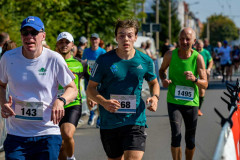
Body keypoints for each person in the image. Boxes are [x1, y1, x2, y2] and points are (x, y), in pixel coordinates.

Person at [0, 16, 77, 160]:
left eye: (34, 33)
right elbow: (1, 85)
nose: (29, 37)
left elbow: (72, 88)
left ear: (43, 35)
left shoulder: (54, 59)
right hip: (16, 135)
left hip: (47, 134)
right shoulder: (8, 58)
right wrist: (3, 102)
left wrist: (60, 101)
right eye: (25, 32)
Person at [87, 19, 160, 160]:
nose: (125, 39)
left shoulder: (145, 60)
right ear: (116, 38)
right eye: (121, 35)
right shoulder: (103, 60)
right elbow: (91, 88)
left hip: (135, 120)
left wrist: (155, 97)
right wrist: (104, 102)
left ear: (136, 37)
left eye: (130, 35)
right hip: (109, 121)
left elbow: (154, 83)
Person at [159, 27, 208, 160]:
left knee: (190, 139)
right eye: (181, 39)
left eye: (187, 39)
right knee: (176, 135)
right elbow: (161, 70)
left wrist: (195, 79)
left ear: (194, 41)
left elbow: (205, 83)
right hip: (174, 101)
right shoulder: (170, 55)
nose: (184, 41)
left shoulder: (198, 58)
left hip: (191, 103)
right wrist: (164, 79)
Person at [56, 32, 93, 160]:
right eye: (61, 42)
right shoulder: (51, 61)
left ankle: (71, 158)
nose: (64, 45)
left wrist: (91, 97)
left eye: (67, 42)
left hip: (73, 104)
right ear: (57, 44)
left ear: (72, 45)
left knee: (67, 134)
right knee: (60, 145)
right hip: (54, 106)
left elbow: (92, 81)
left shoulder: (81, 63)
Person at [82, 33, 106, 127]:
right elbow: (84, 63)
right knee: (89, 98)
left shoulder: (102, 52)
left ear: (99, 40)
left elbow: (104, 65)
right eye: (92, 39)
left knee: (99, 99)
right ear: (90, 41)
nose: (94, 41)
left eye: (96, 39)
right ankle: (91, 114)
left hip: (99, 80)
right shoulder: (86, 51)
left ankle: (99, 119)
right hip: (88, 78)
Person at [195, 39, 213, 116]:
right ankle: (192, 108)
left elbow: (211, 61)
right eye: (197, 46)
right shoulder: (192, 51)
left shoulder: (206, 52)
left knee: (202, 92)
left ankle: (198, 109)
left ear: (202, 46)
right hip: (193, 73)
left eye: (200, 46)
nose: (198, 48)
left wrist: (208, 69)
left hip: (203, 73)